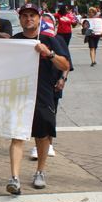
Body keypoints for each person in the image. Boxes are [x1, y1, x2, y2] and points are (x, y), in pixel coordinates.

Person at [7, 4, 70, 194]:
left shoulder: (51, 41)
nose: (28, 19)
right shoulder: (14, 41)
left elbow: (65, 64)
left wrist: (48, 53)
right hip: (19, 97)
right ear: (20, 20)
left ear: (39, 18)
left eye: (32, 15)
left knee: (42, 137)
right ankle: (14, 177)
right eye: (24, 15)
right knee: (17, 136)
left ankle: (40, 172)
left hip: (43, 96)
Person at [30, 13, 73, 160]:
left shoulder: (58, 40)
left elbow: (67, 64)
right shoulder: (35, 40)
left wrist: (62, 78)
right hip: (40, 85)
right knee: (38, 117)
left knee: (50, 116)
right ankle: (38, 146)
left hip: (54, 85)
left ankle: (49, 144)